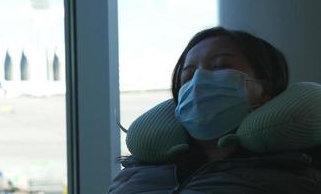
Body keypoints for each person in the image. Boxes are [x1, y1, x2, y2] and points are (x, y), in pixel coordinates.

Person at [108, 27, 321, 193]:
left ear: (265, 89)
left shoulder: (296, 178)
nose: (199, 81)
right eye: (188, 75)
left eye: (219, 66)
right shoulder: (136, 172)